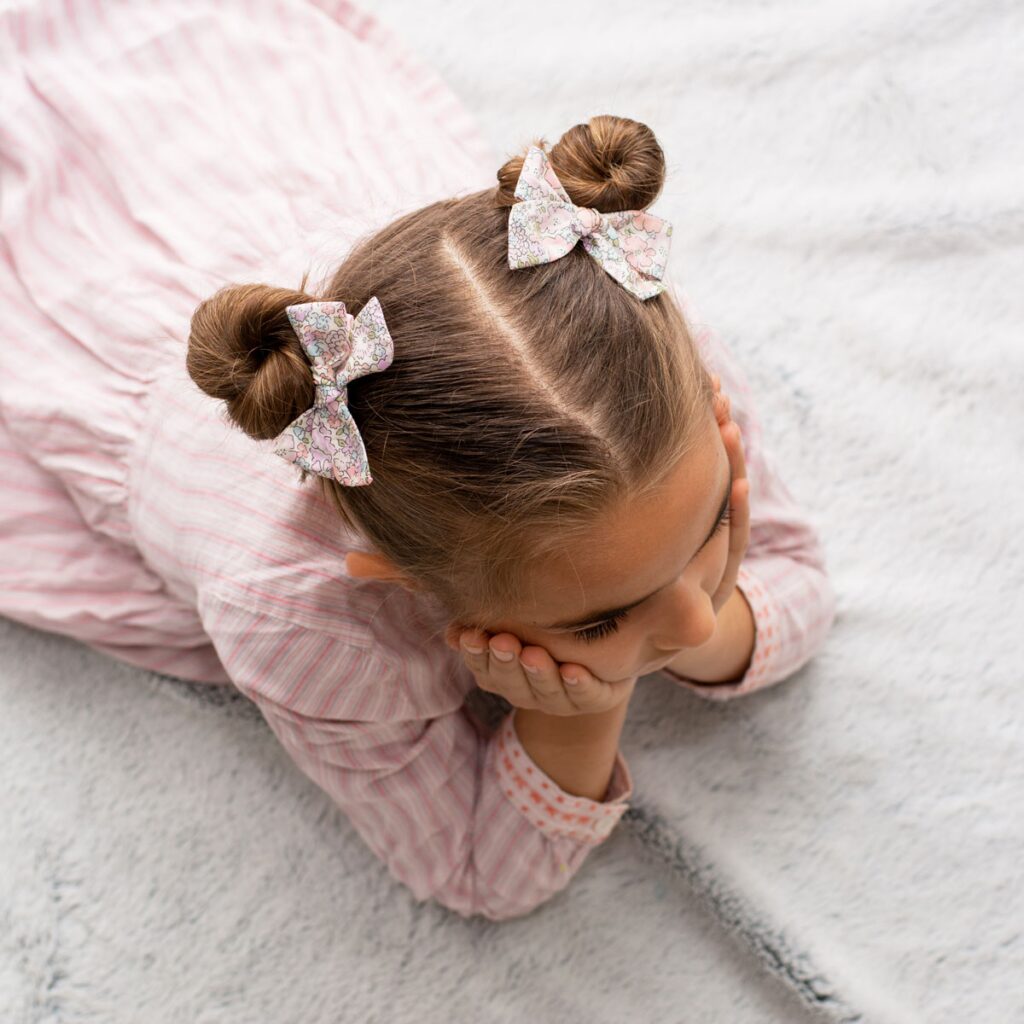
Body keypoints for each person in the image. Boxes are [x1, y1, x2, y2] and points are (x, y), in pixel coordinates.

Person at [0, 2, 835, 922]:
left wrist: (692, 633)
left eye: (712, 526)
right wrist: (580, 709)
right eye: (601, 621)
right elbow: (478, 872)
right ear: (398, 580)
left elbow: (799, 578)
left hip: (284, 164)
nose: (689, 614)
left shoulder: (653, 379)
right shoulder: (306, 622)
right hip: (96, 303)